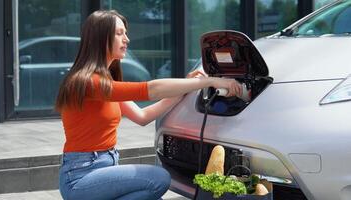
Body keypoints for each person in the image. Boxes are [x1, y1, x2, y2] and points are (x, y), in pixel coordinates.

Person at [55, 10, 242, 200]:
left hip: (102, 171)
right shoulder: (88, 82)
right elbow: (151, 89)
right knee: (158, 178)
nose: (126, 39)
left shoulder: (105, 81)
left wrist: (182, 90)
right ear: (100, 38)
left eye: (125, 33)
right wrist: (211, 81)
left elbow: (142, 117)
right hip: (80, 178)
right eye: (119, 33)